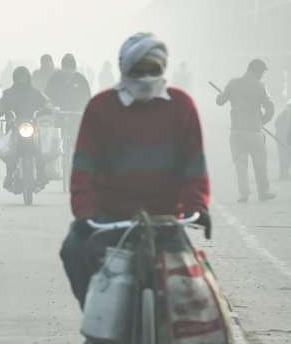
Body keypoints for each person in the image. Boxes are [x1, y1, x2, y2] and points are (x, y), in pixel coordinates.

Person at [60, 32, 211, 309]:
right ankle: (94, 310)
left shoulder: (181, 106)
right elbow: (83, 169)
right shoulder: (101, 107)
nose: (144, 78)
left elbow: (193, 166)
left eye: (151, 70)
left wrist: (198, 207)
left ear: (163, 69)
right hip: (110, 219)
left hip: (164, 220)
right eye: (137, 71)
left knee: (199, 293)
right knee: (72, 251)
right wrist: (84, 214)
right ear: (124, 69)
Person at [216, 59, 276, 203]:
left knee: (240, 164)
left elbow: (220, 101)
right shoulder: (261, 86)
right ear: (256, 71)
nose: (262, 75)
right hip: (254, 130)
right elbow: (270, 108)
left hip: (236, 130)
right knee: (260, 164)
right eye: (262, 72)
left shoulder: (232, 83)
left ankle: (244, 194)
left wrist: (220, 96)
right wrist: (263, 121)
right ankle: (263, 192)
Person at [0, 66, 53, 190]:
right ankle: (9, 175)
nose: (22, 80)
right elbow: (0, 105)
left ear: (28, 78)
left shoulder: (35, 93)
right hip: (15, 127)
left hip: (32, 126)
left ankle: (42, 175)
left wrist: (47, 108)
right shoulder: (8, 94)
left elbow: (47, 102)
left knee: (41, 150)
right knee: (10, 154)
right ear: (15, 79)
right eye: (19, 77)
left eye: (24, 77)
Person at [274, 97, 291, 180]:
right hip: (283, 139)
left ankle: (284, 174)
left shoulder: (287, 113)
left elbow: (276, 123)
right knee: (285, 156)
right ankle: (283, 174)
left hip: (284, 138)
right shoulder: (288, 114)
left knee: (286, 156)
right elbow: (277, 123)